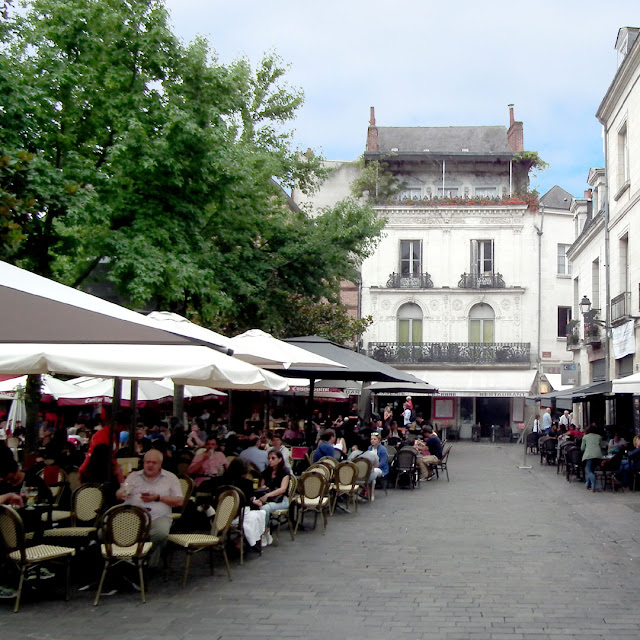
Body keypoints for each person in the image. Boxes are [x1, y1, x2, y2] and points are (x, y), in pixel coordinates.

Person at [116, 449, 183, 568]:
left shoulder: (170, 478)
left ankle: (146, 559)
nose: (150, 465)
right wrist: (120, 494)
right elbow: (121, 491)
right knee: (104, 532)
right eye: (147, 462)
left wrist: (158, 498)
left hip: (158, 517)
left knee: (161, 533)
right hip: (132, 516)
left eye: (153, 462)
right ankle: (125, 561)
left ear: (160, 464)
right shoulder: (134, 476)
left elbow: (179, 501)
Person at [255, 450, 290, 546]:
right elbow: (262, 486)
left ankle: (265, 531)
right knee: (254, 506)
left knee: (264, 509)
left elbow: (283, 489)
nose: (270, 460)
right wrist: (264, 488)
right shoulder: (267, 471)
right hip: (268, 499)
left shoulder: (285, 472)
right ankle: (256, 533)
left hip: (281, 500)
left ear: (279, 459)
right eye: (269, 458)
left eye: (273, 458)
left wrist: (268, 495)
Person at [580, 425, 604, 492]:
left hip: (589, 455)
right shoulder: (599, 437)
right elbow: (602, 446)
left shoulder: (585, 437)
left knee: (589, 471)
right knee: (592, 471)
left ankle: (595, 486)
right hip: (598, 455)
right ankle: (588, 484)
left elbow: (582, 448)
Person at [367, 433, 389, 501]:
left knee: (374, 472)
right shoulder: (369, 448)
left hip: (381, 469)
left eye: (374, 439)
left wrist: (374, 466)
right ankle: (366, 490)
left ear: (379, 440)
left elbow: (383, 463)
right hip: (371, 467)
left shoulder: (383, 450)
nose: (372, 441)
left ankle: (372, 494)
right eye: (371, 439)